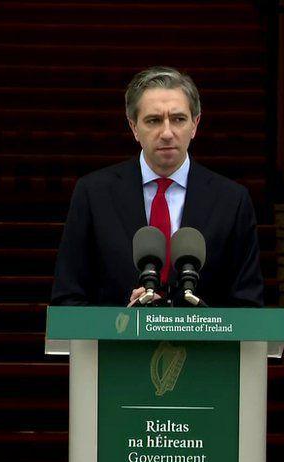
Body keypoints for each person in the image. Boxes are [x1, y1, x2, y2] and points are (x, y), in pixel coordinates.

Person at [50, 66, 264, 307]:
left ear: (195, 124)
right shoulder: (93, 194)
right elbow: (68, 298)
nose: (167, 132)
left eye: (178, 119)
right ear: (133, 127)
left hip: (203, 344)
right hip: (118, 344)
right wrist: (122, 321)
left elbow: (248, 304)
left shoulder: (231, 201)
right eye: (153, 120)